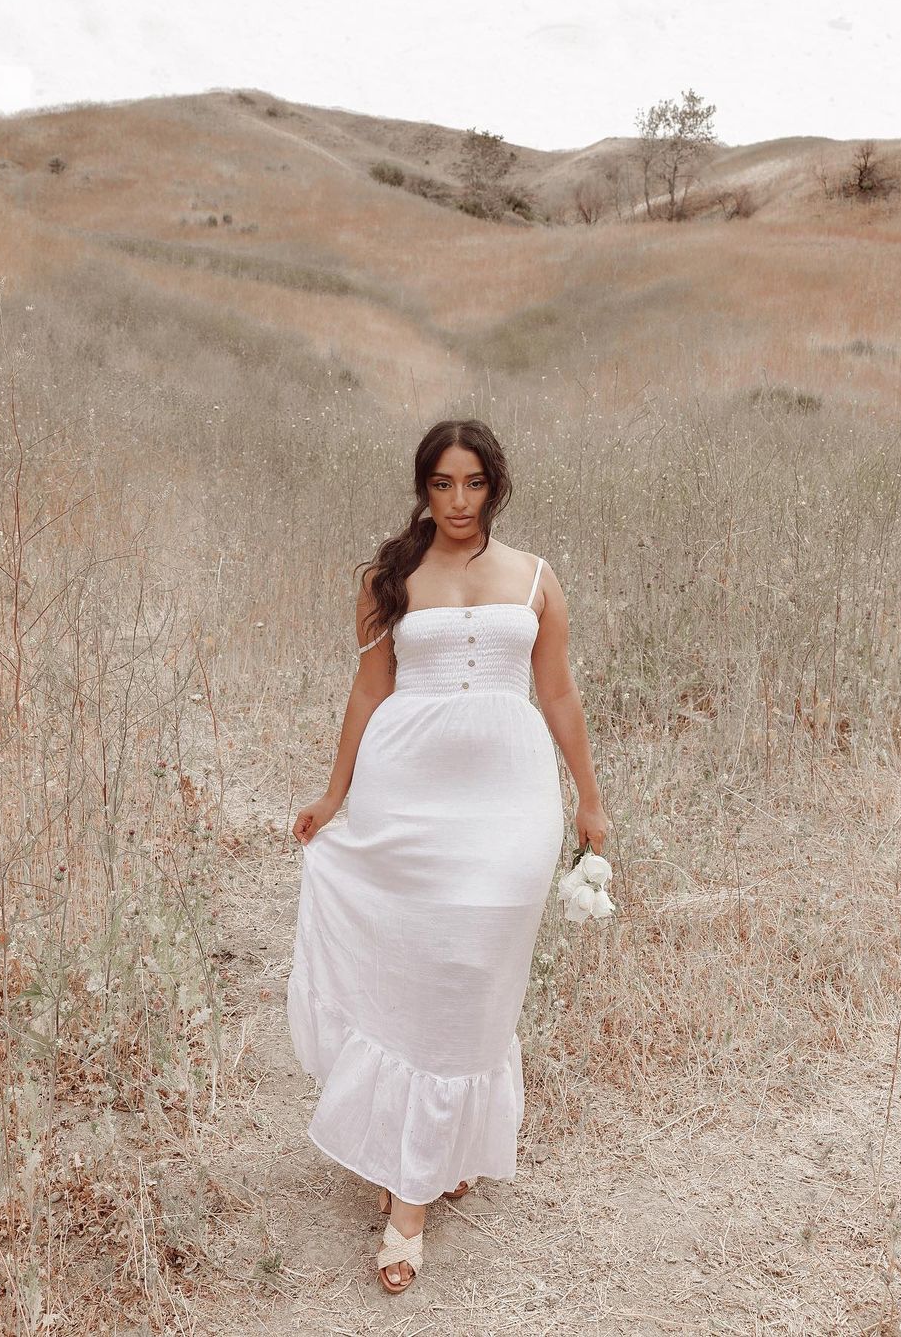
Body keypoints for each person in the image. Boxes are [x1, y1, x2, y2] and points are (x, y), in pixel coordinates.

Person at [288, 419, 610, 1292]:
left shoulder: (537, 579)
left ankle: (432, 1160)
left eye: (473, 484)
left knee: (477, 973)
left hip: (511, 804)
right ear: (423, 489)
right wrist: (334, 795)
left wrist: (589, 797)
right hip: (409, 796)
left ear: (495, 486)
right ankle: (412, 1194)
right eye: (442, 485)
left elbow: (558, 692)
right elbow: (368, 690)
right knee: (424, 970)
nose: (459, 502)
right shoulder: (389, 579)